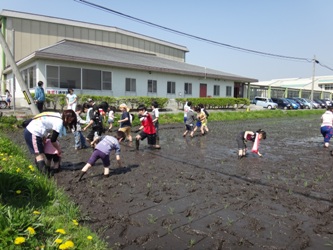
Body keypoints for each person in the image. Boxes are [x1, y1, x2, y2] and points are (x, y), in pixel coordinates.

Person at [23, 110, 77, 176]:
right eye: (69, 120)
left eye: (71, 121)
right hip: (33, 132)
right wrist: (58, 149)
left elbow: (43, 119)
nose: (69, 122)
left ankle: (40, 174)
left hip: (36, 130)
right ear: (66, 117)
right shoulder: (59, 122)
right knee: (39, 155)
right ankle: (45, 177)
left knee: (39, 154)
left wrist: (44, 137)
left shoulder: (58, 115)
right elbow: (53, 140)